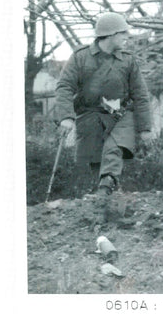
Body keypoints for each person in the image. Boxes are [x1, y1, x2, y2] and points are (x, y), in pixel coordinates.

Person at [54, 12, 153, 218]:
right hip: (90, 114)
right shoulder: (80, 57)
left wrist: (145, 128)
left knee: (114, 150)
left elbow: (141, 95)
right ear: (109, 35)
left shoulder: (127, 61)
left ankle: (108, 184)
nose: (126, 37)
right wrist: (66, 116)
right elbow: (64, 86)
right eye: (122, 33)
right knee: (94, 160)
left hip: (120, 114)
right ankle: (103, 202)